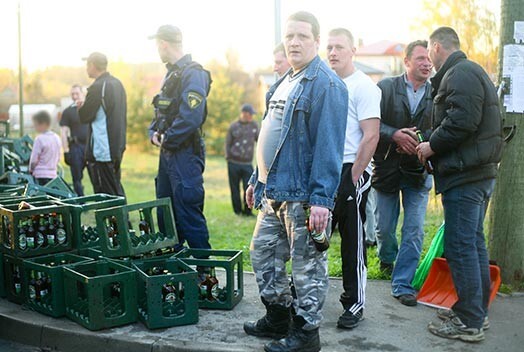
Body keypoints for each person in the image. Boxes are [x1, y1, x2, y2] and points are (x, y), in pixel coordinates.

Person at [243, 12, 348, 352]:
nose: (294, 42)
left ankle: (306, 334)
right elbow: (268, 136)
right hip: (271, 192)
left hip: (302, 196)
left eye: (302, 36)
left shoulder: (326, 84)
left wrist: (321, 200)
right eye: (290, 36)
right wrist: (254, 179)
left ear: (316, 40)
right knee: (262, 254)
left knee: (307, 267)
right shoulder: (284, 80)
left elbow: (329, 147)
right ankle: (278, 317)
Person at [417, 27, 503, 342]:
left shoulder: (461, 73)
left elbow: (462, 121)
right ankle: (476, 311)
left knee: (461, 246)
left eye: (429, 50)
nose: (428, 57)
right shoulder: (466, 72)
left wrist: (431, 147)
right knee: (473, 243)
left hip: (467, 177)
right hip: (474, 173)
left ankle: (469, 321)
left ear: (438, 46)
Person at [327, 28, 381, 329]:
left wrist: (353, 177)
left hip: (352, 170)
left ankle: (354, 303)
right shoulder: (327, 84)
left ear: (353, 50)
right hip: (325, 170)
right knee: (316, 238)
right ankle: (307, 295)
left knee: (352, 243)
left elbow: (371, 136)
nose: (333, 52)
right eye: (329, 47)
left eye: (339, 47)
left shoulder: (364, 87)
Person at [373, 40, 433, 306]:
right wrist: (394, 135)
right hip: (386, 169)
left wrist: (423, 142)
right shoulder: (385, 87)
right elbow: (370, 123)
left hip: (418, 173)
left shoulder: (438, 93)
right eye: (420, 58)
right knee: (384, 229)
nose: (427, 63)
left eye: (429, 58)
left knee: (415, 230)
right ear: (407, 62)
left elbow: (444, 129)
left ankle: (403, 283)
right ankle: (387, 258)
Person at [149, 25, 212, 252]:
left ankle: (205, 277)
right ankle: (176, 273)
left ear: (163, 43)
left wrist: (167, 138)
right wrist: (153, 132)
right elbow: (162, 112)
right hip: (168, 153)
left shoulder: (193, 73)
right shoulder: (172, 74)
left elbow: (191, 117)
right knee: (165, 212)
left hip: (185, 152)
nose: (157, 49)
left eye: (157, 45)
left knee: (188, 212)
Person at [78, 52, 127, 197]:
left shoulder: (97, 87)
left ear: (92, 65)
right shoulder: (118, 84)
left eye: (87, 65)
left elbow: (85, 116)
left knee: (106, 195)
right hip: (117, 145)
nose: (86, 68)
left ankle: (120, 220)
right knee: (115, 188)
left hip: (102, 151)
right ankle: (123, 220)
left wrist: (81, 107)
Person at [225, 103, 259, 216]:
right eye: (250, 114)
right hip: (233, 163)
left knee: (248, 187)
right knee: (234, 188)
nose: (251, 116)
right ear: (244, 114)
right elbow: (227, 144)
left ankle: (248, 211)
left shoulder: (254, 126)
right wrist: (228, 158)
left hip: (247, 164)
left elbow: (260, 141)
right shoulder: (233, 126)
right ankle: (237, 211)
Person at [60, 84, 88, 196]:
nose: (75, 96)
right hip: (76, 147)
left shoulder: (90, 109)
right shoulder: (67, 112)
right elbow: (63, 132)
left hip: (90, 147)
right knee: (76, 178)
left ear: (82, 94)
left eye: (77, 93)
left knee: (96, 176)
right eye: (72, 94)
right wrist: (66, 151)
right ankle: (81, 202)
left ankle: (100, 203)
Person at [29, 111, 61, 186]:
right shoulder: (57, 138)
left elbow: (34, 159)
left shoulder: (39, 139)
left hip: (40, 174)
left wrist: (30, 170)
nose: (34, 127)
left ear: (43, 124)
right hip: (53, 174)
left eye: (36, 125)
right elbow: (58, 157)